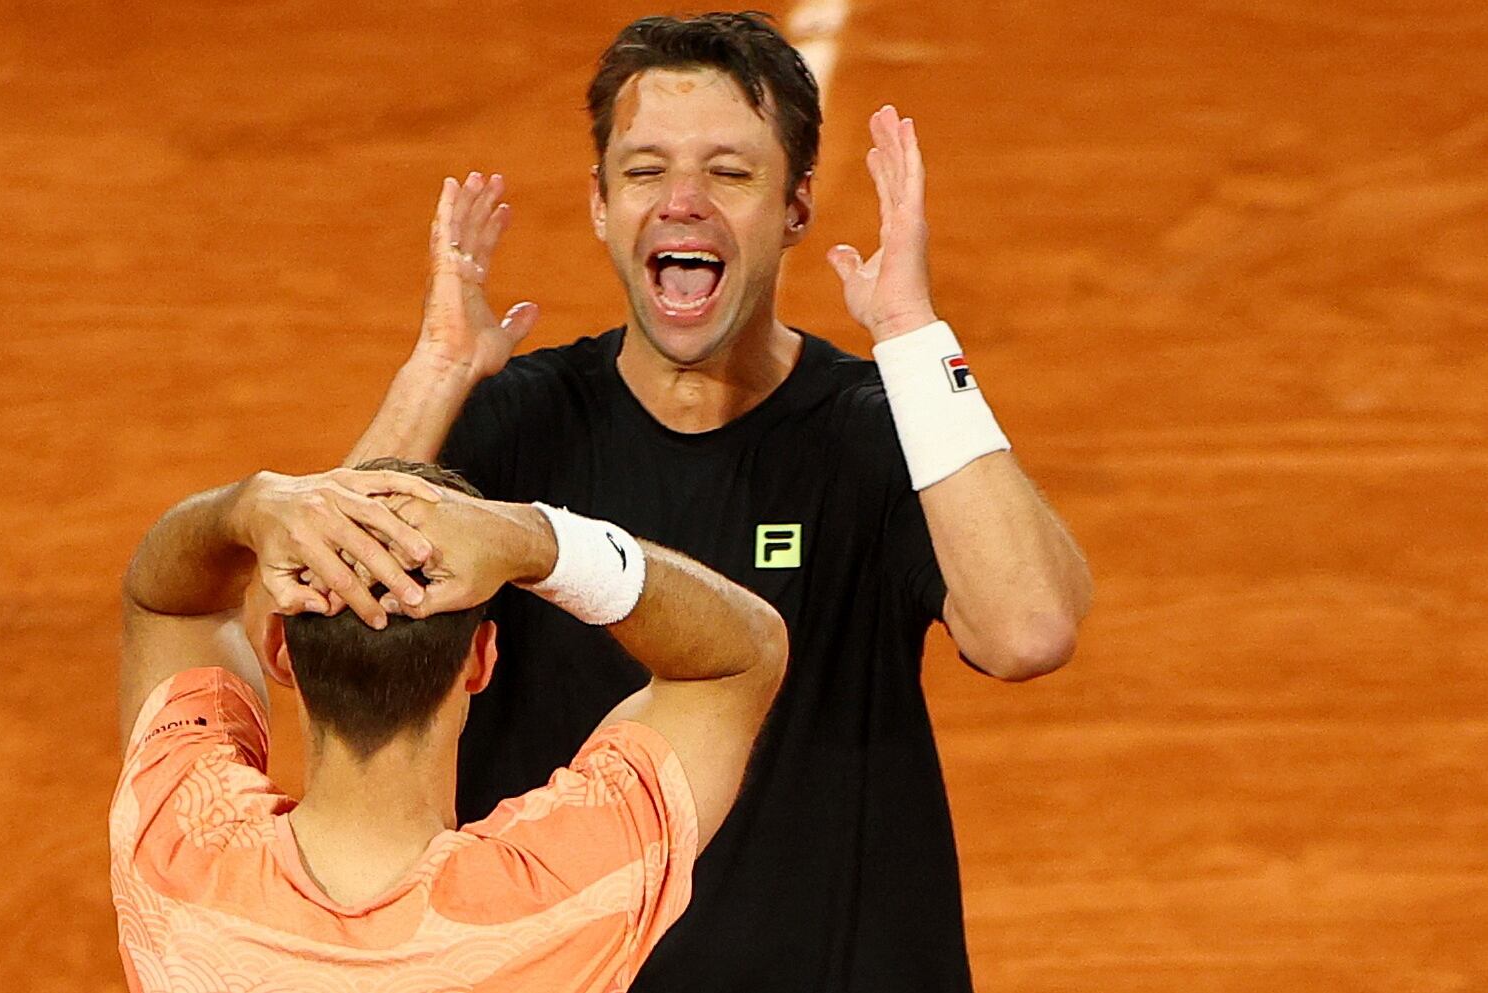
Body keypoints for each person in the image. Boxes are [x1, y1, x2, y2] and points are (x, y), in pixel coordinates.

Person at [344, 12, 1094, 992]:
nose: (681, 202)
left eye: (730, 174)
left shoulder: (876, 433)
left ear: (794, 207)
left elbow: (1027, 630)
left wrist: (913, 338)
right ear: (600, 206)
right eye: (644, 170)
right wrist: (436, 373)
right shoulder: (511, 430)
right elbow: (323, 630)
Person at [110, 459, 788, 991]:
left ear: (281, 650)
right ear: (479, 658)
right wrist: (538, 540)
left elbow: (170, 604)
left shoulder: (176, 853)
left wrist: (243, 507)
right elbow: (739, 656)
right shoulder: (562, 895)